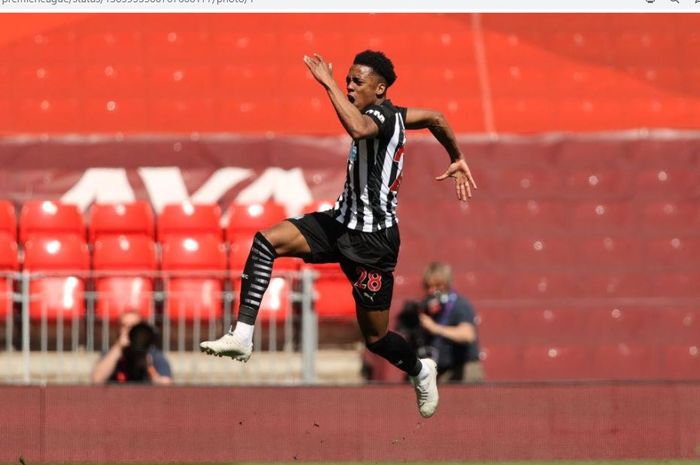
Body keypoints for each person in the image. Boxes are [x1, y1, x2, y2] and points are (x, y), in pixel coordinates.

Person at [201, 50, 477, 418]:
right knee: (266, 241)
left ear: (379, 89)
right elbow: (437, 117)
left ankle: (421, 369)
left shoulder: (376, 116)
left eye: (356, 82)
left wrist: (327, 83)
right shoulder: (395, 114)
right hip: (339, 223)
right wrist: (455, 155)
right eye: (346, 79)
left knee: (377, 339)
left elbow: (359, 128)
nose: (348, 86)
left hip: (372, 244)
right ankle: (243, 334)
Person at [397, 262, 483, 383]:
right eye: (428, 287)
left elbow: (468, 335)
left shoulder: (460, 304)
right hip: (437, 370)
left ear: (447, 284)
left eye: (438, 286)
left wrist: (435, 328)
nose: (432, 291)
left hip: (461, 369)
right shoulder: (425, 307)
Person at [91, 310, 172, 385]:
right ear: (118, 329)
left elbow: (166, 384)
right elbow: (96, 379)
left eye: (133, 327)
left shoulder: (153, 354)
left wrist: (148, 366)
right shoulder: (111, 353)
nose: (129, 331)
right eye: (125, 326)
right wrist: (118, 348)